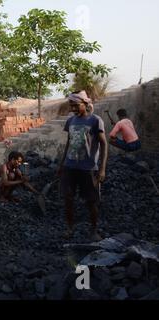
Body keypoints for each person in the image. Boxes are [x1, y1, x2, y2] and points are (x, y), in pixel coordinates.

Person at [58, 90, 108, 241]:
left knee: (91, 201)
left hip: (88, 168)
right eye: (70, 104)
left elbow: (104, 145)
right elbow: (69, 142)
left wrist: (102, 169)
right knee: (68, 198)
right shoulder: (71, 121)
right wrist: (61, 165)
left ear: (85, 104)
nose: (72, 107)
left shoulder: (95, 120)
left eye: (75, 104)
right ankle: (69, 228)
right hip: (70, 166)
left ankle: (93, 230)